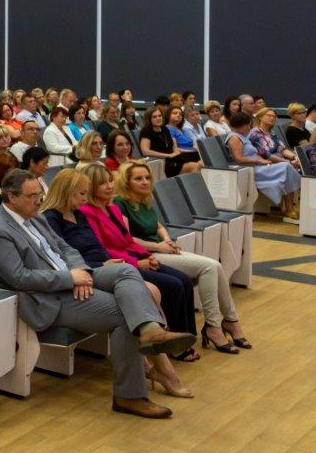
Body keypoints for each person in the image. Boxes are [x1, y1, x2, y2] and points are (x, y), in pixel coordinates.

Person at [0, 169, 195, 419]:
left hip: (76, 275)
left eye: (40, 194)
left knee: (126, 270)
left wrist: (80, 270)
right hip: (49, 297)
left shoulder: (34, 217)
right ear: (11, 197)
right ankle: (130, 396)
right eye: (32, 196)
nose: (39, 200)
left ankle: (150, 329)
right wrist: (70, 279)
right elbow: (19, 277)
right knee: (126, 314)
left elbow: (66, 248)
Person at [40, 170, 191, 396]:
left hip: (102, 265)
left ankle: (153, 364)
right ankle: (162, 368)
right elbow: (62, 256)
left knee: (151, 290)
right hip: (85, 272)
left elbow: (95, 246)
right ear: (66, 192)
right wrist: (98, 264)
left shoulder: (77, 213)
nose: (85, 198)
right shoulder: (50, 218)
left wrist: (107, 260)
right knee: (148, 292)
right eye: (81, 193)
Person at [112, 160, 250, 353]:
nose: (145, 182)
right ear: (127, 182)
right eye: (138, 179)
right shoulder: (120, 203)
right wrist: (159, 246)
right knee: (209, 267)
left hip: (161, 248)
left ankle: (229, 321)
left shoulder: (143, 199)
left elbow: (158, 225)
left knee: (215, 266)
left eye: (147, 177)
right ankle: (215, 326)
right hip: (147, 254)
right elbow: (127, 239)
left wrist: (167, 240)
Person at [74, 163, 199, 356]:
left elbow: (128, 241)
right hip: (121, 265)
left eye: (110, 181)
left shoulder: (113, 208)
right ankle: (175, 347)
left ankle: (187, 337)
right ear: (91, 187)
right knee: (173, 285)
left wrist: (147, 255)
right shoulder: (87, 212)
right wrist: (137, 263)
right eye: (103, 183)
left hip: (135, 258)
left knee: (184, 280)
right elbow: (102, 249)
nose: (109, 186)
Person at [228, 110, 301, 221]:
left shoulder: (243, 136)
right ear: (241, 124)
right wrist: (260, 161)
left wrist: (262, 160)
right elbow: (239, 159)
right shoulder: (235, 138)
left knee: (288, 168)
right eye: (247, 125)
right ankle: (290, 205)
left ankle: (289, 207)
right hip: (250, 169)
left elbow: (258, 153)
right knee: (287, 167)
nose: (249, 127)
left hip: (258, 165)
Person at [140, 106, 200, 176]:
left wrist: (176, 153)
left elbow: (174, 147)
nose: (158, 118)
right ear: (149, 119)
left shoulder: (165, 129)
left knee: (199, 158)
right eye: (154, 117)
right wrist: (168, 155)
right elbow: (145, 151)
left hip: (172, 159)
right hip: (159, 162)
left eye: (159, 116)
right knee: (194, 166)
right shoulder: (146, 131)